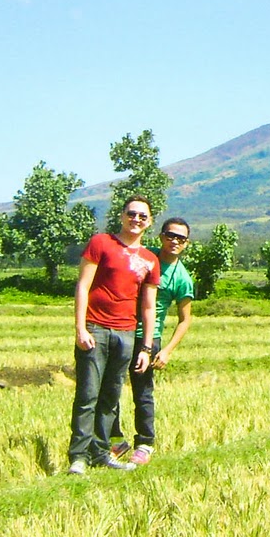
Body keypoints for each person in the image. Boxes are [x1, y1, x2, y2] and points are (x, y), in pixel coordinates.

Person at [66, 195, 160, 474]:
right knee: (87, 395)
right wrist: (80, 328)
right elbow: (83, 286)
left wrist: (145, 348)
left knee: (111, 397)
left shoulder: (150, 260)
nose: (136, 220)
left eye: (143, 216)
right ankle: (78, 457)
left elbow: (148, 305)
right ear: (121, 216)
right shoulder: (101, 243)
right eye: (132, 214)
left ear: (149, 222)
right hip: (96, 329)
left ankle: (100, 452)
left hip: (127, 333)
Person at [112, 217, 195, 466]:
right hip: (121, 330)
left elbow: (185, 320)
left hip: (149, 338)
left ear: (186, 244)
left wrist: (167, 350)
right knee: (110, 388)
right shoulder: (145, 259)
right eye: (170, 235)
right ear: (161, 236)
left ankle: (145, 443)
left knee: (143, 392)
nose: (174, 241)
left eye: (180, 238)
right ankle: (114, 439)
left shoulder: (182, 278)